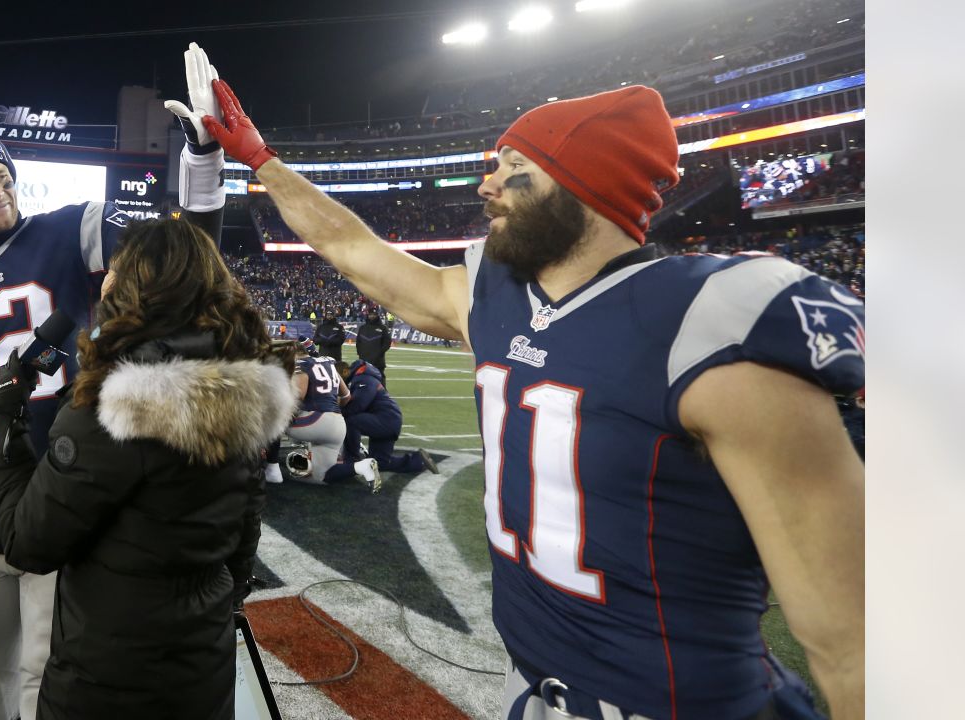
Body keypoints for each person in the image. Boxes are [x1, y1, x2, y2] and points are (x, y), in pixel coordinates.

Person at [203, 78, 863, 719]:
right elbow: (352, 247)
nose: (486, 185)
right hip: (536, 686)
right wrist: (263, 161)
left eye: (514, 167)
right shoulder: (492, 295)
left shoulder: (707, 324)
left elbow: (850, 637)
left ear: (587, 182)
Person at [0, 43, 229, 720]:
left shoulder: (76, 229)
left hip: (59, 484)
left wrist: (202, 165)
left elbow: (184, 259)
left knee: (45, 665)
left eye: (1, 178)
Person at [0, 218, 296, 720]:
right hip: (201, 666)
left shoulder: (118, 406)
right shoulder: (245, 384)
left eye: (117, 270)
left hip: (110, 678)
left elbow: (29, 541)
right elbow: (244, 529)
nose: (105, 280)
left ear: (140, 287)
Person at [285, 337, 382, 491]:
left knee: (271, 420)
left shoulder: (301, 365)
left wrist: (283, 417)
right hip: (338, 424)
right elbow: (346, 396)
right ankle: (362, 466)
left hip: (315, 422)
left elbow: (298, 398)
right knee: (322, 477)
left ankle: (270, 466)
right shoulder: (328, 363)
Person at [340, 359, 437, 475]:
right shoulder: (364, 379)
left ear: (346, 372)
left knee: (350, 421)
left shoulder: (364, 380)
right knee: (380, 463)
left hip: (386, 420)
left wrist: (337, 411)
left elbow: (356, 406)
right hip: (389, 421)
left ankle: (351, 461)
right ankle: (419, 461)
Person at [354, 309, 392, 379]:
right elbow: (358, 342)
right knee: (364, 378)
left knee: (379, 379)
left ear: (377, 316)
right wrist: (360, 353)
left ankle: (381, 390)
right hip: (364, 359)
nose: (372, 316)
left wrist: (379, 353)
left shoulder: (383, 328)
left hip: (378, 360)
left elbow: (387, 343)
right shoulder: (362, 328)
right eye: (370, 314)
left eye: (374, 315)